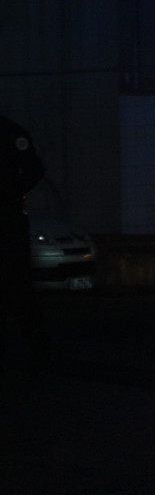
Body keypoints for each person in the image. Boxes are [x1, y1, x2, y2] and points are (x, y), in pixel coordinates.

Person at [0, 115, 48, 373]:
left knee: (19, 289)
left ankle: (39, 351)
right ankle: (37, 351)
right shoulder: (11, 131)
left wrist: (10, 192)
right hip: (9, 218)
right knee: (18, 289)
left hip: (7, 221)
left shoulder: (10, 132)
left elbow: (34, 170)